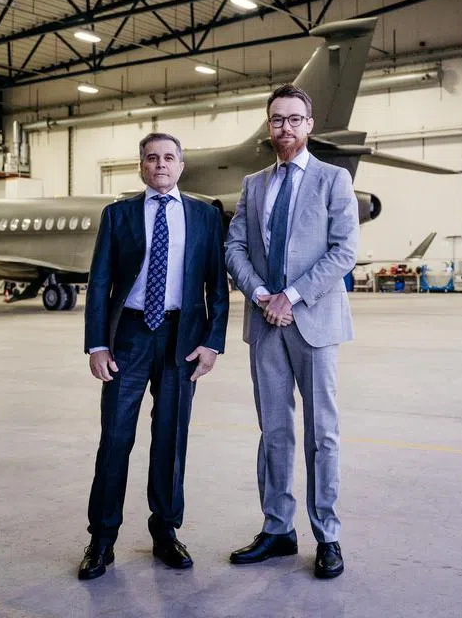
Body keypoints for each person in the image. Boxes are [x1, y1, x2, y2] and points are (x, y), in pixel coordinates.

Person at [78, 132, 229, 581]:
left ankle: (165, 532)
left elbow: (216, 287)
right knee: (115, 439)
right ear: (140, 166)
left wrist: (212, 341)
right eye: (151, 158)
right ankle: (101, 540)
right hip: (128, 336)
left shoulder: (204, 216)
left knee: (170, 439)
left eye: (168, 157)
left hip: (182, 338)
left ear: (181, 165)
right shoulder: (118, 215)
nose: (160, 164)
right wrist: (97, 343)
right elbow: (100, 281)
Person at [224, 83, 359, 580]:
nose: (285, 127)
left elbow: (344, 251)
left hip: (314, 322)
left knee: (321, 432)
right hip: (265, 323)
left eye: (294, 119)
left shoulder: (333, 181)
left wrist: (293, 295)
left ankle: (327, 534)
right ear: (268, 125)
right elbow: (234, 246)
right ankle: (278, 528)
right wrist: (261, 294)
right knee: (274, 430)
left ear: (309, 125)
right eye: (277, 119)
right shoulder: (254, 185)